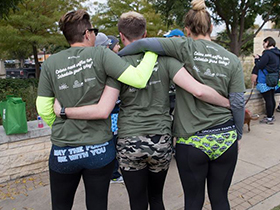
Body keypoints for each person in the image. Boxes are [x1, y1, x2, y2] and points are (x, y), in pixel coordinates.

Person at [53, 10, 231, 210]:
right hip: (161, 140)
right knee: (156, 199)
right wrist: (227, 102)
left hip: (129, 140)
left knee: (137, 202)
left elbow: (104, 105)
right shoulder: (166, 61)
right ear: (145, 34)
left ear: (121, 35)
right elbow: (197, 90)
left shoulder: (115, 65)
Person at [118, 0, 246, 209]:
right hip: (225, 137)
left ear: (186, 30)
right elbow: (238, 103)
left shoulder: (182, 46)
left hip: (192, 140)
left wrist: (113, 58)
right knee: (221, 199)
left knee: (193, 201)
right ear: (211, 27)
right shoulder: (231, 59)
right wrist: (238, 134)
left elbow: (142, 44)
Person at [36, 9, 158, 210]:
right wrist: (153, 50)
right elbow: (139, 79)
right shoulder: (101, 54)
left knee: (60, 205)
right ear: (87, 34)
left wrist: (63, 125)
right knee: (97, 205)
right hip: (98, 149)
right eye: (94, 31)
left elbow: (43, 107)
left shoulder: (50, 63)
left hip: (63, 150)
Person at [95, 33, 124, 183]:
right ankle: (113, 174)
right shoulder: (106, 65)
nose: (118, 47)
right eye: (113, 45)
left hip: (113, 113)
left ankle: (113, 172)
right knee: (111, 143)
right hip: (109, 114)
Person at [251, 36, 280, 124]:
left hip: (265, 80)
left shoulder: (267, 53)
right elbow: (270, 64)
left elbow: (260, 65)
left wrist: (256, 59)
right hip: (273, 79)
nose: (263, 45)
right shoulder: (277, 53)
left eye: (264, 43)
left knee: (268, 99)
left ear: (267, 42)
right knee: (271, 97)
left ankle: (269, 118)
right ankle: (271, 115)